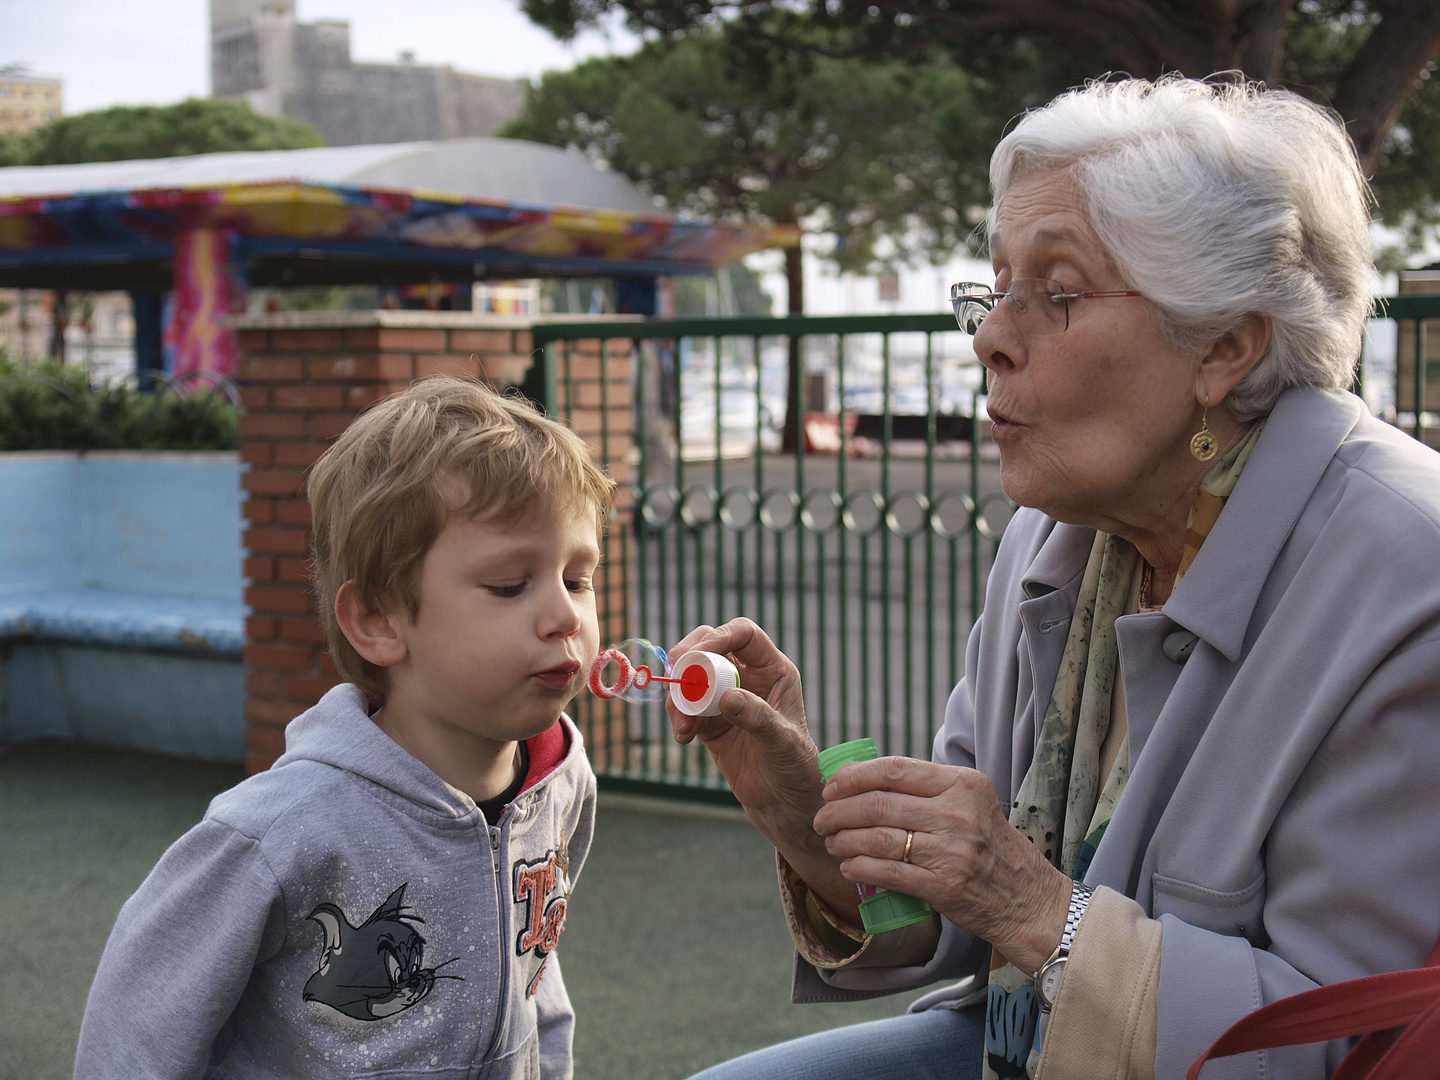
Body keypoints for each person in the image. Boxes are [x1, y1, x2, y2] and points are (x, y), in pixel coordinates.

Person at [666, 76, 1440, 1080]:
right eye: (996, 287)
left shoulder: (1404, 576)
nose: (990, 338)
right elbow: (953, 926)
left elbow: (1340, 1043)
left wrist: (1033, 908)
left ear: (1225, 345)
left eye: (1058, 293)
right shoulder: (1056, 536)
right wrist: (809, 817)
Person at [74, 376, 613, 1079]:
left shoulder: (562, 787)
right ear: (380, 621)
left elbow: (531, 969)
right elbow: (138, 1027)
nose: (565, 616)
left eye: (578, 579)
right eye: (511, 584)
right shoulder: (278, 832)